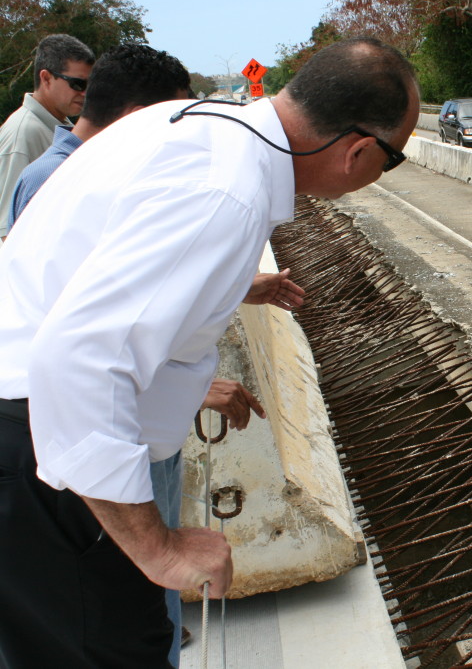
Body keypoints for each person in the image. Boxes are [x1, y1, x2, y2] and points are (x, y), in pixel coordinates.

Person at [0, 36, 418, 667]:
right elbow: (78, 359)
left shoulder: (204, 126)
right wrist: (157, 548)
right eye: (392, 159)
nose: (380, 172)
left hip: (35, 442)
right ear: (359, 150)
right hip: (44, 456)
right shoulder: (225, 192)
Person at [3, 42, 283, 667]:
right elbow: (72, 340)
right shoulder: (59, 173)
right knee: (103, 627)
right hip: (58, 441)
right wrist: (158, 550)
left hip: (76, 433)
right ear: (141, 114)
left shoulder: (97, 164)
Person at [0, 34, 94, 241]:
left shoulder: (63, 126)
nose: (85, 93)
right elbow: (8, 231)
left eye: (90, 85)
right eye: (78, 84)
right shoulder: (23, 133)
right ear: (46, 78)